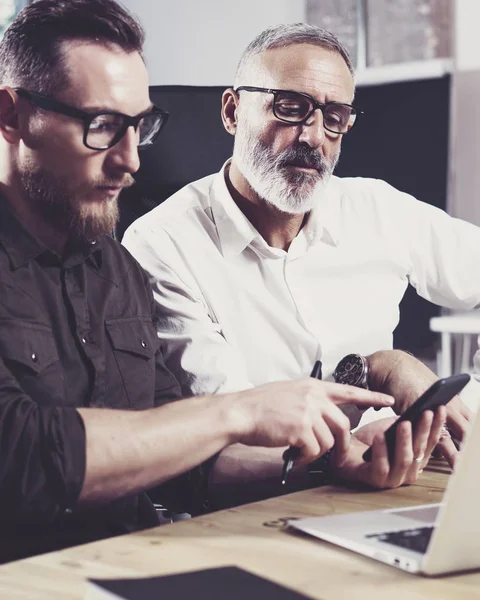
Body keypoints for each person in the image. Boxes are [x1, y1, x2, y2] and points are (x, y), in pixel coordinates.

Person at [0, 2, 400, 563]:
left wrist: (324, 463)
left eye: (140, 127)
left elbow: (179, 466)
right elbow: (22, 458)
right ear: (11, 116)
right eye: (103, 127)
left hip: (142, 562)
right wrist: (238, 411)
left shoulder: (116, 272)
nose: (130, 160)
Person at [123, 23, 476, 503]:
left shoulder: (376, 208)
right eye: (290, 108)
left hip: (401, 485)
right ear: (232, 111)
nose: (313, 136)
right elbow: (232, 428)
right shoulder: (161, 244)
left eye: (335, 116)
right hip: (256, 509)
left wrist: (461, 395)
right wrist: (372, 371)